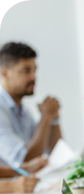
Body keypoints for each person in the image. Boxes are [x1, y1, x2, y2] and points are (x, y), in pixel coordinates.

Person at [0, 42, 61, 175]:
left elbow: (55, 151)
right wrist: (45, 117)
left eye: (35, 70)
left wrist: (53, 118)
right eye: (26, 71)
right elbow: (26, 162)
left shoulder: (22, 110)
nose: (33, 77)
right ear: (5, 73)